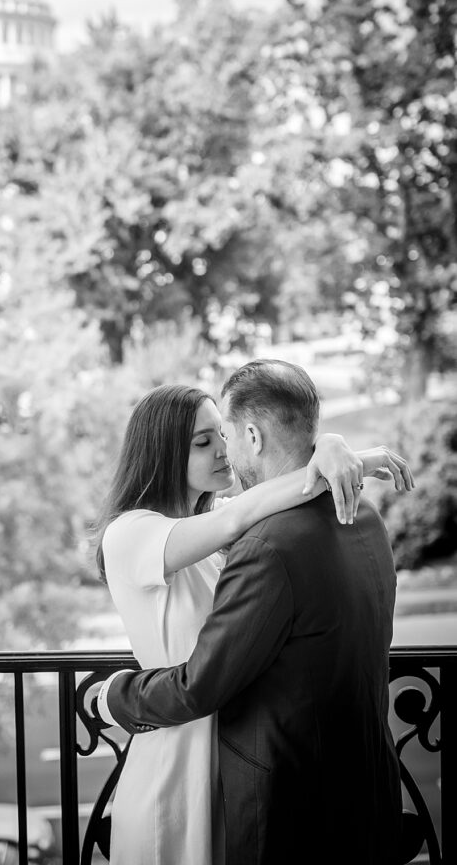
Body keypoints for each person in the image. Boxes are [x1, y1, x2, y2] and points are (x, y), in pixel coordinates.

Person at [96, 361, 411, 865]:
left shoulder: (222, 524)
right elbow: (252, 505)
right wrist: (114, 697)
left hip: (234, 761)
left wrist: (330, 446)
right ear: (161, 453)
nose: (223, 450)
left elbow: (277, 476)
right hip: (177, 759)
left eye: (222, 434)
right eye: (203, 441)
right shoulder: (133, 533)